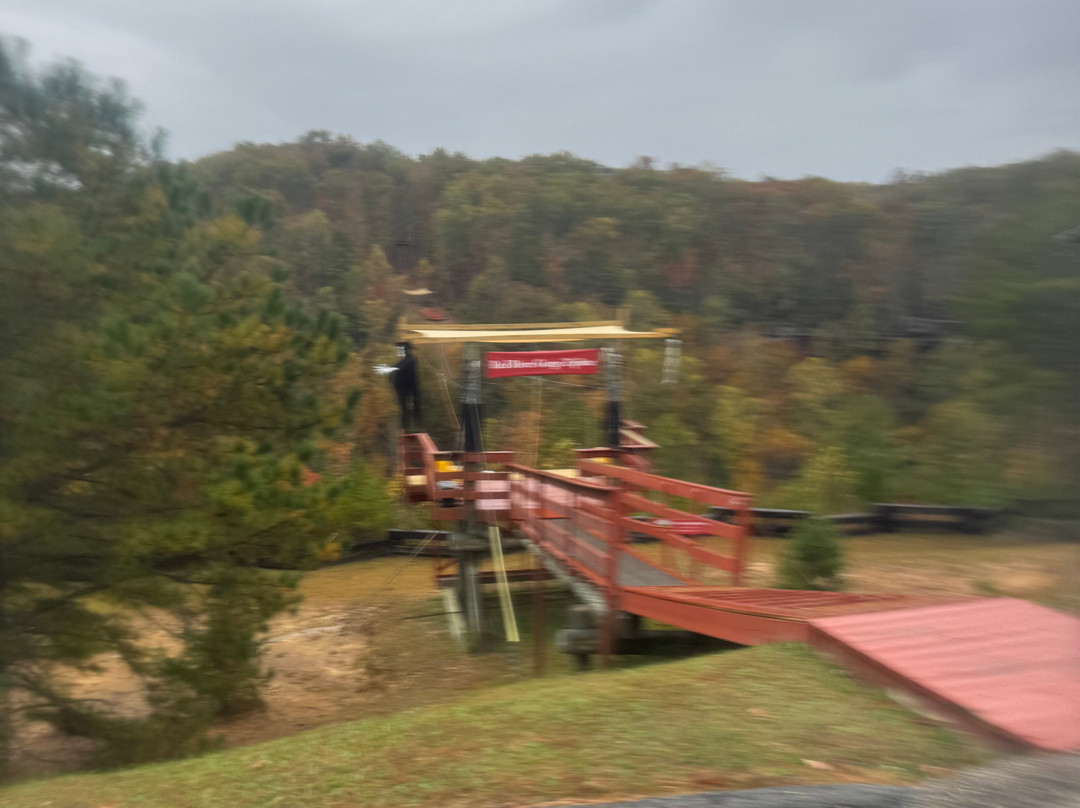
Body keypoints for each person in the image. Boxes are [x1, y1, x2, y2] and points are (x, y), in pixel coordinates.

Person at [375, 342, 421, 432]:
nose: (398, 351)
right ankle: (406, 426)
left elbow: (400, 365)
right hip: (404, 387)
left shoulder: (411, 359)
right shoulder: (407, 359)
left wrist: (387, 369)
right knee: (404, 406)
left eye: (400, 350)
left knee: (410, 407)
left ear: (406, 350)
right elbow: (399, 366)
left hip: (409, 387)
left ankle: (411, 425)